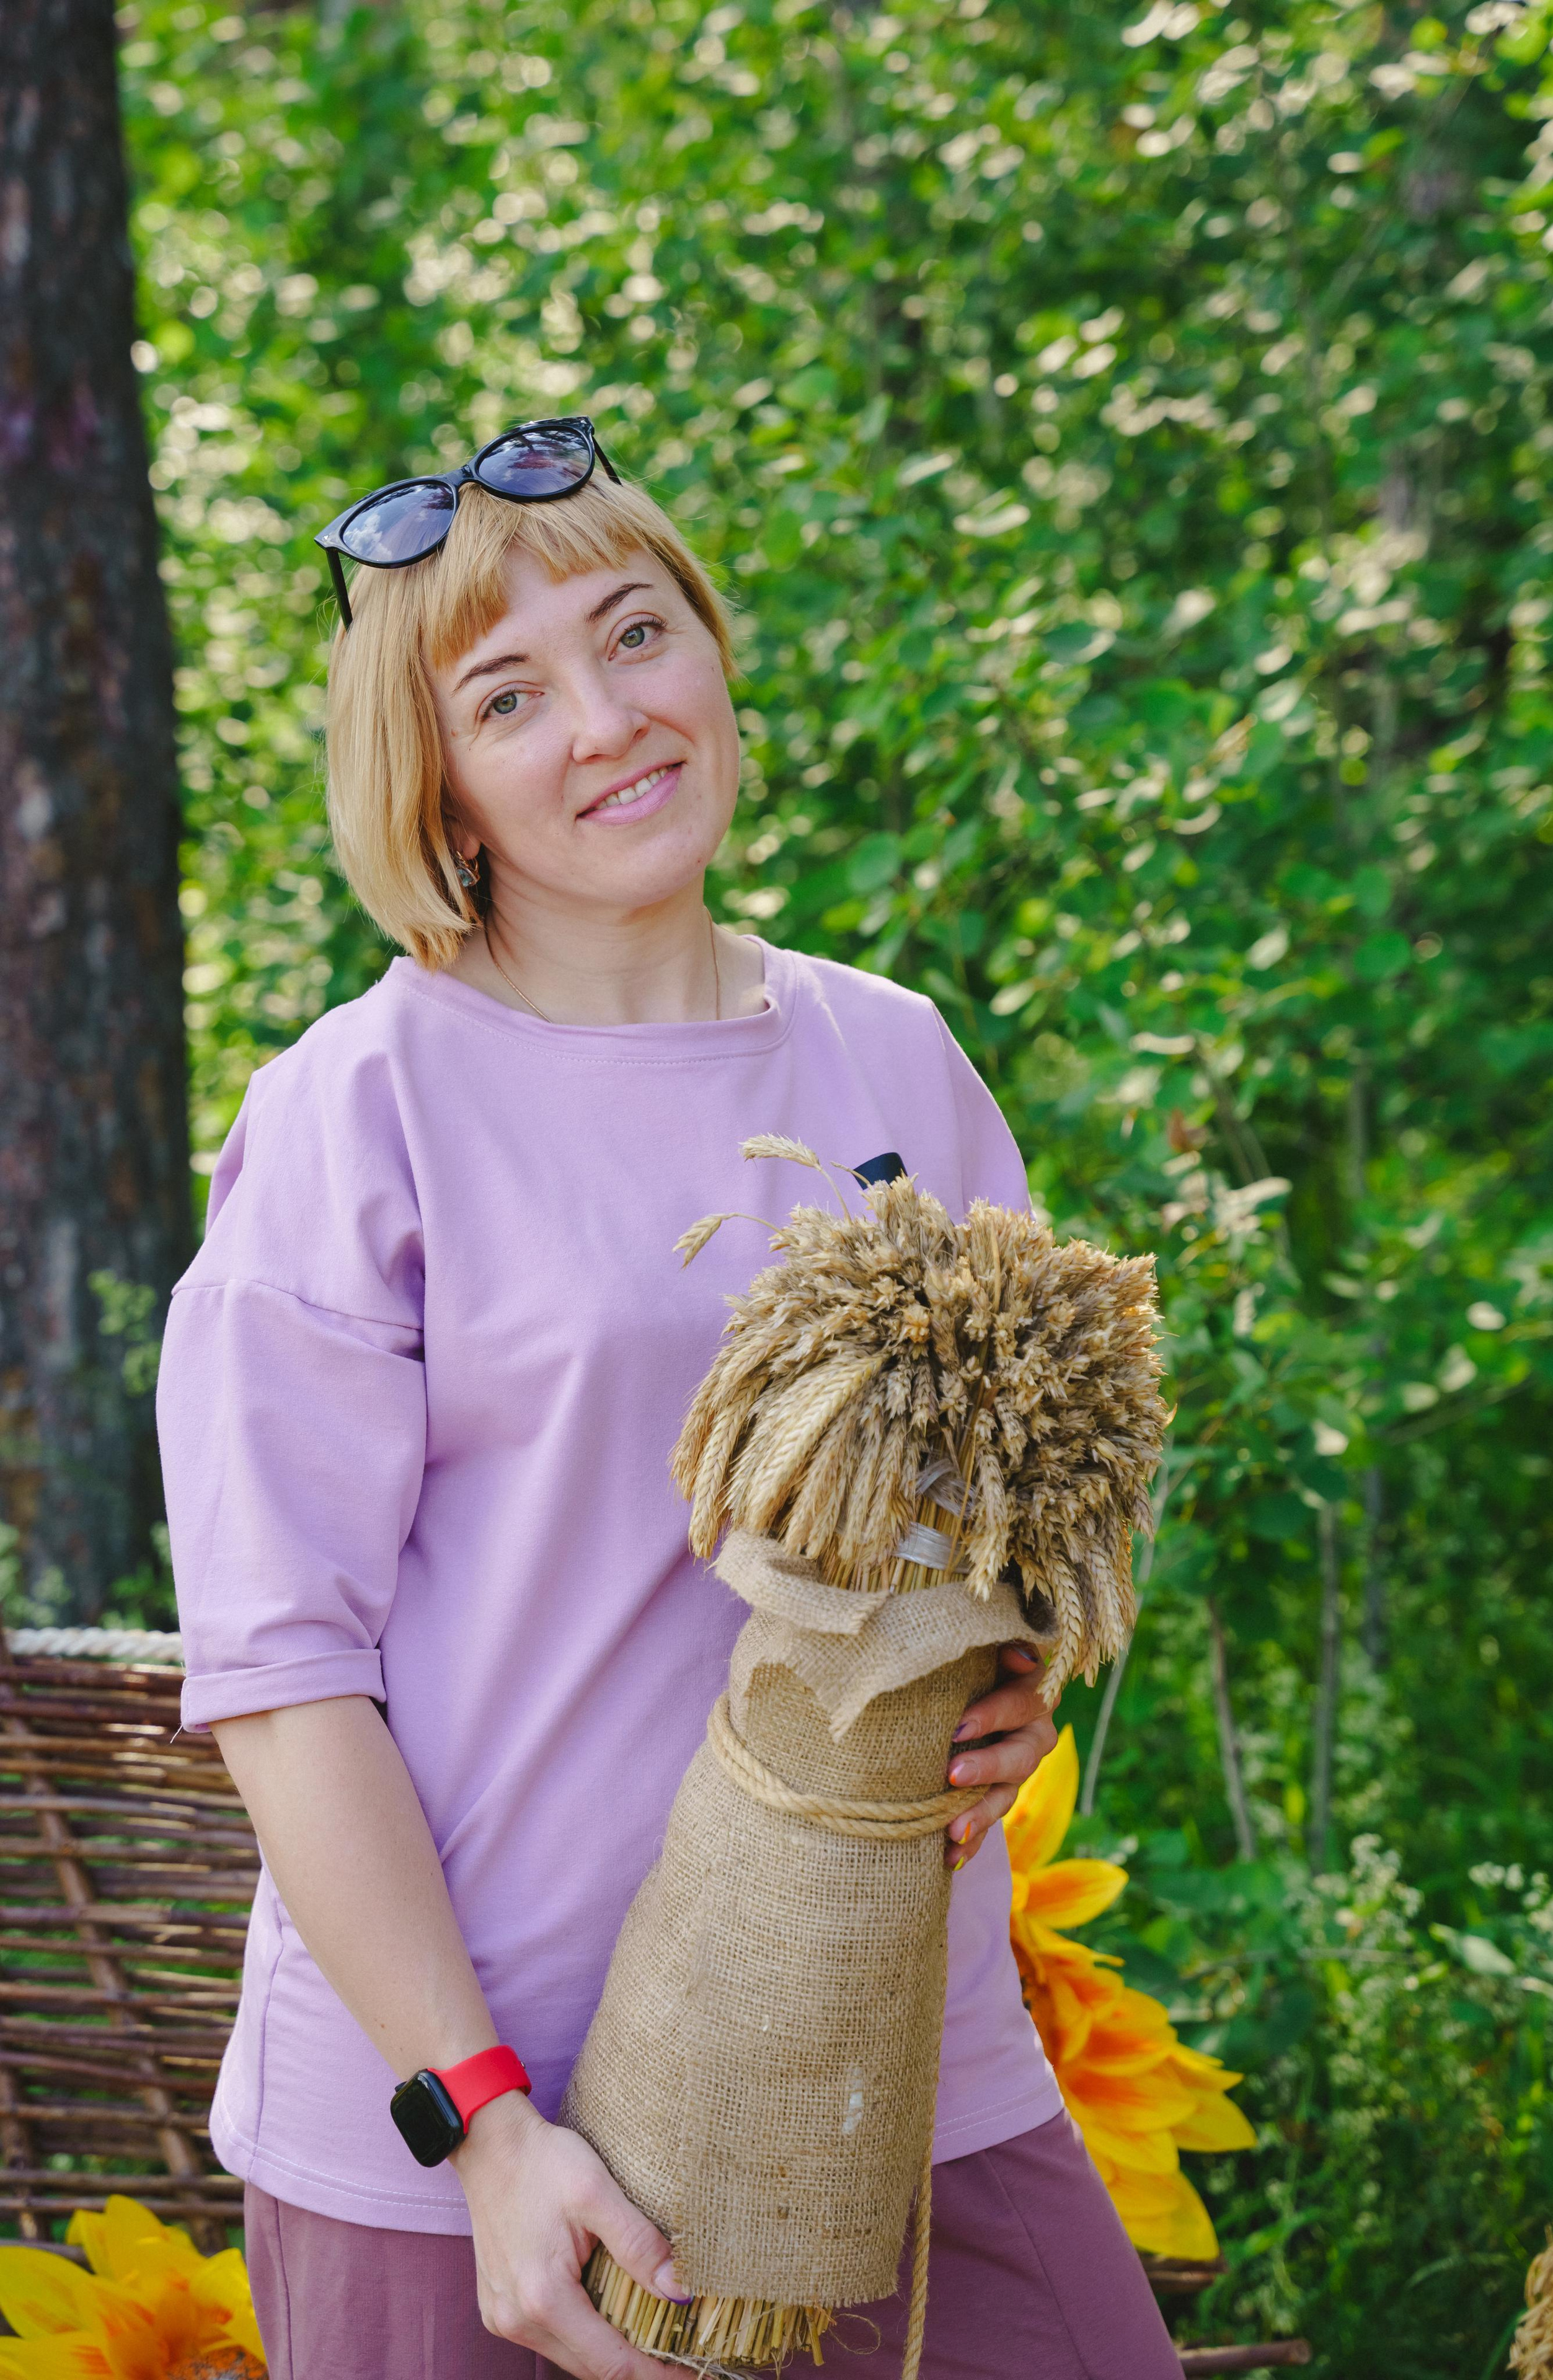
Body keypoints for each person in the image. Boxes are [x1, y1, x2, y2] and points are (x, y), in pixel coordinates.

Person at [157, 418, 1183, 2380]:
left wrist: (1018, 1671)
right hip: (499, 2140)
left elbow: (1013, 1506)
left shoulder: (891, 1057)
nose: (610, 719)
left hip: (896, 2055)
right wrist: (481, 2122)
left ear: (712, 649)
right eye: (511, 694)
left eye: (638, 634)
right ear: (437, 783)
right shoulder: (351, 1117)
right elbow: (285, 1678)